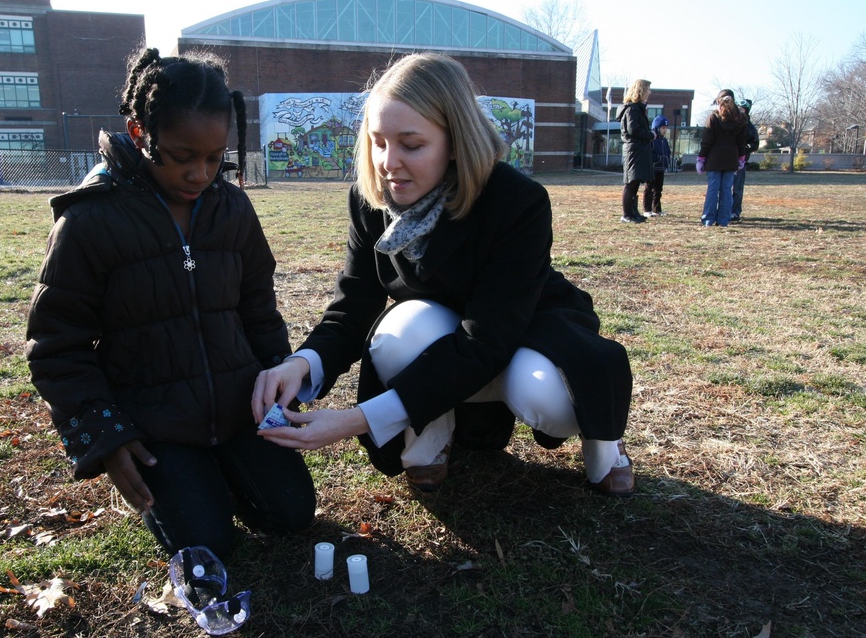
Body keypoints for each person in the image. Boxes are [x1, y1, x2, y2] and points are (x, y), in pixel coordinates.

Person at [251, 53, 635, 497]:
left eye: (411, 145)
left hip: (530, 328)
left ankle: (605, 444)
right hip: (452, 339)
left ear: (456, 142)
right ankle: (431, 437)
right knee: (400, 332)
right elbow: (354, 304)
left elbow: (486, 337)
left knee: (543, 394)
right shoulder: (369, 201)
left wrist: (356, 420)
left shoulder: (517, 200)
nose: (388, 162)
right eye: (378, 142)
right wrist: (301, 364)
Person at [25, 47, 316, 558]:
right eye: (182, 157)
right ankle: (191, 484)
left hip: (238, 408)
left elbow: (258, 307)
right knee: (207, 543)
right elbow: (56, 344)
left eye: (214, 157)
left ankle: (220, 473)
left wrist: (277, 378)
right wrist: (107, 436)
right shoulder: (89, 220)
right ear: (140, 133)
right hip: (154, 422)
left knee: (292, 515)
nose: (199, 173)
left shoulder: (232, 208)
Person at [697, 90, 748, 227]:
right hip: (731, 159)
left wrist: (701, 158)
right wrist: (741, 158)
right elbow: (741, 141)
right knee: (726, 190)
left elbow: (707, 140)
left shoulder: (713, 118)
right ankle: (724, 220)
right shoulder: (740, 119)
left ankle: (708, 219)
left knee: (713, 190)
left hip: (714, 159)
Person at [617, 79, 654, 223]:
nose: (649, 92)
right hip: (634, 150)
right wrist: (651, 135)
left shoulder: (637, 108)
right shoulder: (632, 109)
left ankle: (633, 212)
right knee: (631, 182)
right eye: (648, 89)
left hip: (638, 150)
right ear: (641, 90)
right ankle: (627, 215)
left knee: (636, 181)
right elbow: (634, 130)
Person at [731, 99, 759, 222]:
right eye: (738, 108)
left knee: (737, 188)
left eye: (742, 109)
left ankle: (735, 212)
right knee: (725, 188)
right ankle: (724, 210)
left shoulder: (750, 128)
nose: (739, 111)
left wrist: (743, 148)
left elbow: (755, 144)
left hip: (740, 162)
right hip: (727, 159)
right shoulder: (731, 123)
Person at [643, 115, 671, 217]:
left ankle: (657, 209)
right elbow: (649, 153)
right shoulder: (652, 140)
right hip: (652, 168)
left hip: (661, 169)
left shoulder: (665, 141)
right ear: (657, 128)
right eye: (663, 128)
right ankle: (647, 210)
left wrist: (666, 161)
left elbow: (668, 152)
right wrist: (658, 159)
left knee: (658, 190)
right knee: (649, 189)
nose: (665, 130)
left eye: (666, 128)